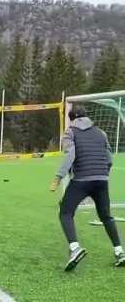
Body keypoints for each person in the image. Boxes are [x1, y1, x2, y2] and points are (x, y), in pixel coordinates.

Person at [50, 106, 125, 271]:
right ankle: (120, 252)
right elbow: (109, 158)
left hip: (82, 179)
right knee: (106, 216)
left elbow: (71, 155)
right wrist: (102, 173)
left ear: (71, 119)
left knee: (65, 212)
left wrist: (58, 177)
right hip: (102, 179)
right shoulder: (101, 132)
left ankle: (75, 248)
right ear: (86, 116)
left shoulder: (70, 132)